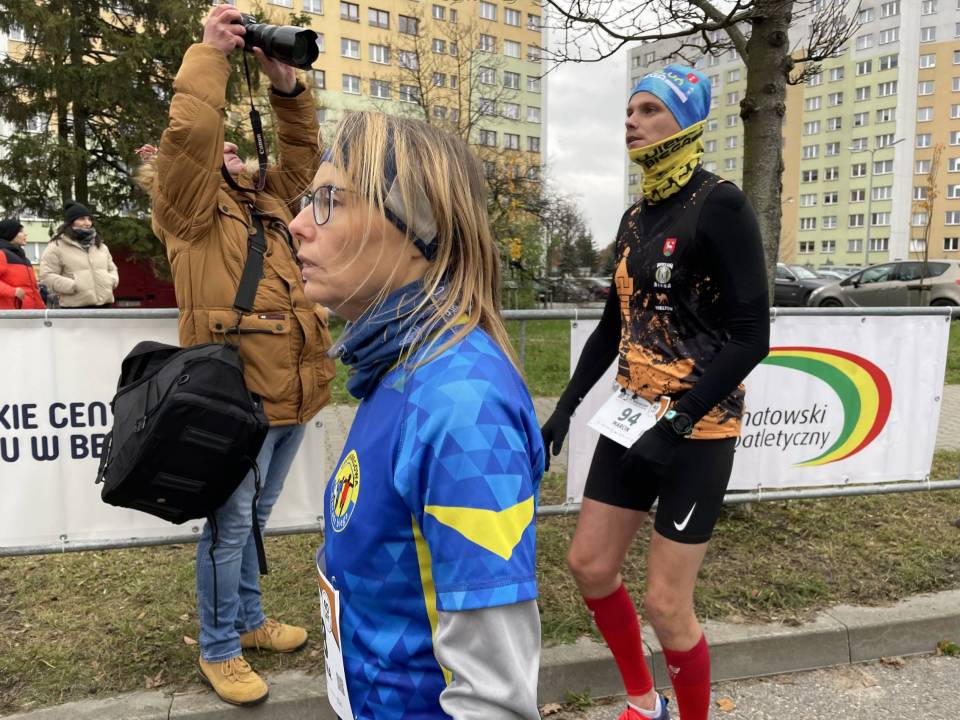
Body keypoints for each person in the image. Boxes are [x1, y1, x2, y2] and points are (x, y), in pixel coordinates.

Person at [288, 111, 544, 720]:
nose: (297, 224)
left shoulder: (463, 407)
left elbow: (496, 703)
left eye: (329, 201)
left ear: (416, 228)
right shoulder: (400, 367)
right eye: (307, 201)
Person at [540, 65, 769, 720]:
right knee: (589, 565)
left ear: (686, 121)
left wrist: (679, 422)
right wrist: (564, 409)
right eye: (629, 111)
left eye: (648, 110)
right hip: (631, 417)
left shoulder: (720, 204)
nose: (631, 122)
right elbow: (613, 326)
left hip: (697, 428)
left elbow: (752, 337)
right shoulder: (635, 217)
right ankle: (645, 703)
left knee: (668, 605)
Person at [138, 4, 335, 707]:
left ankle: (249, 620)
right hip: (237, 400)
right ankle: (219, 646)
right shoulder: (187, 211)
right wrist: (210, 53)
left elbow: (304, 159)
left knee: (252, 519)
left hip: (292, 393)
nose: (224, 147)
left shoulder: (263, 200)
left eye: (231, 145)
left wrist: (286, 87)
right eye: (215, 147)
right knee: (228, 530)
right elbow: (192, 132)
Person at [38, 201, 119, 308]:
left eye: (89, 219)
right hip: (75, 309)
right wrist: (73, 286)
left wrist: (111, 281)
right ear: (71, 222)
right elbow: (47, 275)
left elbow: (112, 269)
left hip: (105, 306)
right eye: (82, 219)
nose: (87, 223)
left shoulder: (101, 246)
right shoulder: (56, 246)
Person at [0, 218, 46, 309]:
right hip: (9, 314)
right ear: (10, 233)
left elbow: (33, 290)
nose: (25, 234)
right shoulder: (2, 254)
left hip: (29, 313)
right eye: (20, 231)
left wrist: (42, 309)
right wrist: (12, 291)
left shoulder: (24, 258)